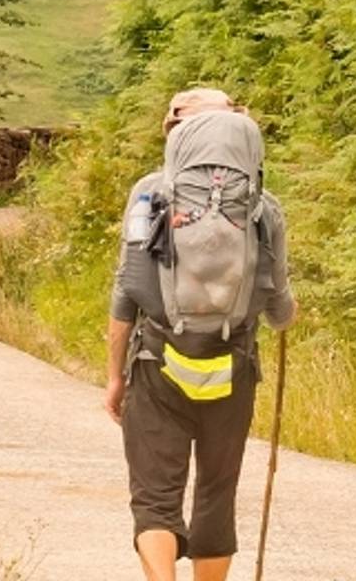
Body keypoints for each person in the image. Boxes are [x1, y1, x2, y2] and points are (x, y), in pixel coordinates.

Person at [105, 88, 298, 581]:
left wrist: (114, 377)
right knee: (216, 492)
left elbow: (127, 290)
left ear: (175, 133)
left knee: (154, 496)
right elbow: (279, 306)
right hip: (232, 369)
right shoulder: (262, 206)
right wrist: (283, 317)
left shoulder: (149, 194)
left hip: (157, 365)